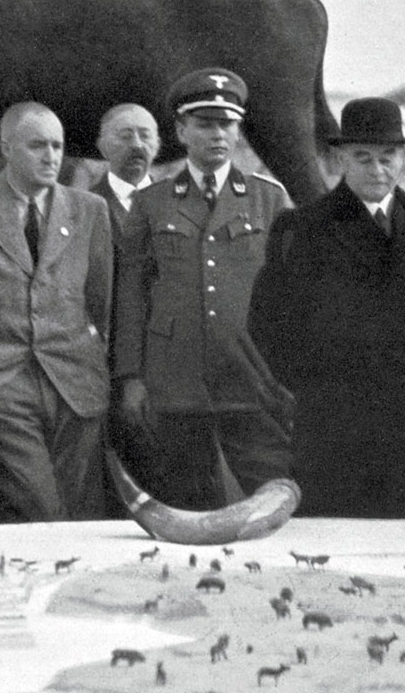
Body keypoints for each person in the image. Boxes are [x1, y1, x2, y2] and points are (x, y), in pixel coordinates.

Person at [249, 97, 405, 518]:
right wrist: (312, 390)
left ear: (403, 158)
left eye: (388, 157)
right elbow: (268, 321)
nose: (377, 169)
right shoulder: (303, 227)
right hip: (335, 431)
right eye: (363, 158)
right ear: (341, 157)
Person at [113, 68, 293, 511]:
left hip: (251, 379)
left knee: (274, 503)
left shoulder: (269, 199)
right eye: (205, 124)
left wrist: (290, 374)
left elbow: (294, 297)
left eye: (227, 124)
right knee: (186, 508)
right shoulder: (151, 203)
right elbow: (132, 297)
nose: (218, 134)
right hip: (175, 384)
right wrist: (131, 377)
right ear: (180, 130)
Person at [0, 102, 112, 521]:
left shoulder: (89, 210)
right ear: (6, 147)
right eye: (37, 146)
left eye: (57, 146)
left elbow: (101, 302)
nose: (51, 156)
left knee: (78, 513)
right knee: (41, 509)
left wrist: (93, 362)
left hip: (75, 383)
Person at [90, 103, 161, 236]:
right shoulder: (88, 207)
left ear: (157, 145)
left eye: (145, 136)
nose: (137, 145)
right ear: (103, 147)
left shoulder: (176, 201)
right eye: (126, 136)